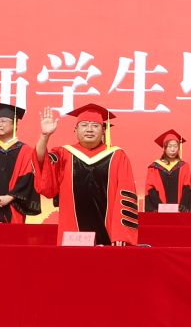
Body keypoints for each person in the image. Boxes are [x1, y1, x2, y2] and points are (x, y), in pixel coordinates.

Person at [34, 103, 140, 245]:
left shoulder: (117, 156)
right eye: (84, 125)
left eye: (95, 126)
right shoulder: (64, 154)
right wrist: (44, 136)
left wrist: (121, 234)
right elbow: (42, 163)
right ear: (75, 130)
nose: (89, 129)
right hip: (73, 234)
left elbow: (125, 193)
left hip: (109, 234)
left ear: (104, 130)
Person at [144, 129, 191, 211]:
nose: (172, 149)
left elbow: (187, 188)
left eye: (175, 146)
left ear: (178, 148)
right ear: (164, 148)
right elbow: (150, 189)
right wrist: (160, 206)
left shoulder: (184, 166)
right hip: (159, 210)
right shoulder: (154, 167)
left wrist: (182, 206)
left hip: (180, 211)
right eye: (169, 146)